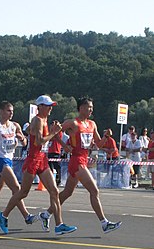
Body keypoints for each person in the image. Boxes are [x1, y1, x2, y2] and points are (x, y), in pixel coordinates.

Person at [0, 95, 77, 235]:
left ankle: (59, 225)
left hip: (42, 158)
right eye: (48, 106)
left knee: (54, 191)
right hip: (33, 159)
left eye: (51, 106)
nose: (50, 108)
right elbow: (39, 141)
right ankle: (3, 215)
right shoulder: (38, 120)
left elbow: (45, 136)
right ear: (40, 107)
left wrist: (62, 143)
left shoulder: (44, 120)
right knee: (23, 192)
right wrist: (52, 132)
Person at [40, 97, 122, 234]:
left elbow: (98, 145)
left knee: (67, 193)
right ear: (81, 108)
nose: (91, 109)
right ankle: (104, 223)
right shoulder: (73, 123)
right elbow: (54, 133)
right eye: (88, 107)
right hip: (76, 161)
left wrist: (106, 137)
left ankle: (46, 214)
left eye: (92, 107)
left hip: (84, 159)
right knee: (94, 191)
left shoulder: (92, 124)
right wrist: (65, 145)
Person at [48, 120, 63, 186]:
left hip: (56, 151)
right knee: (49, 166)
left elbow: (55, 137)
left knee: (57, 166)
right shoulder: (49, 132)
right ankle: (51, 179)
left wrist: (56, 128)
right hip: (49, 151)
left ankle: (58, 179)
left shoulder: (58, 132)